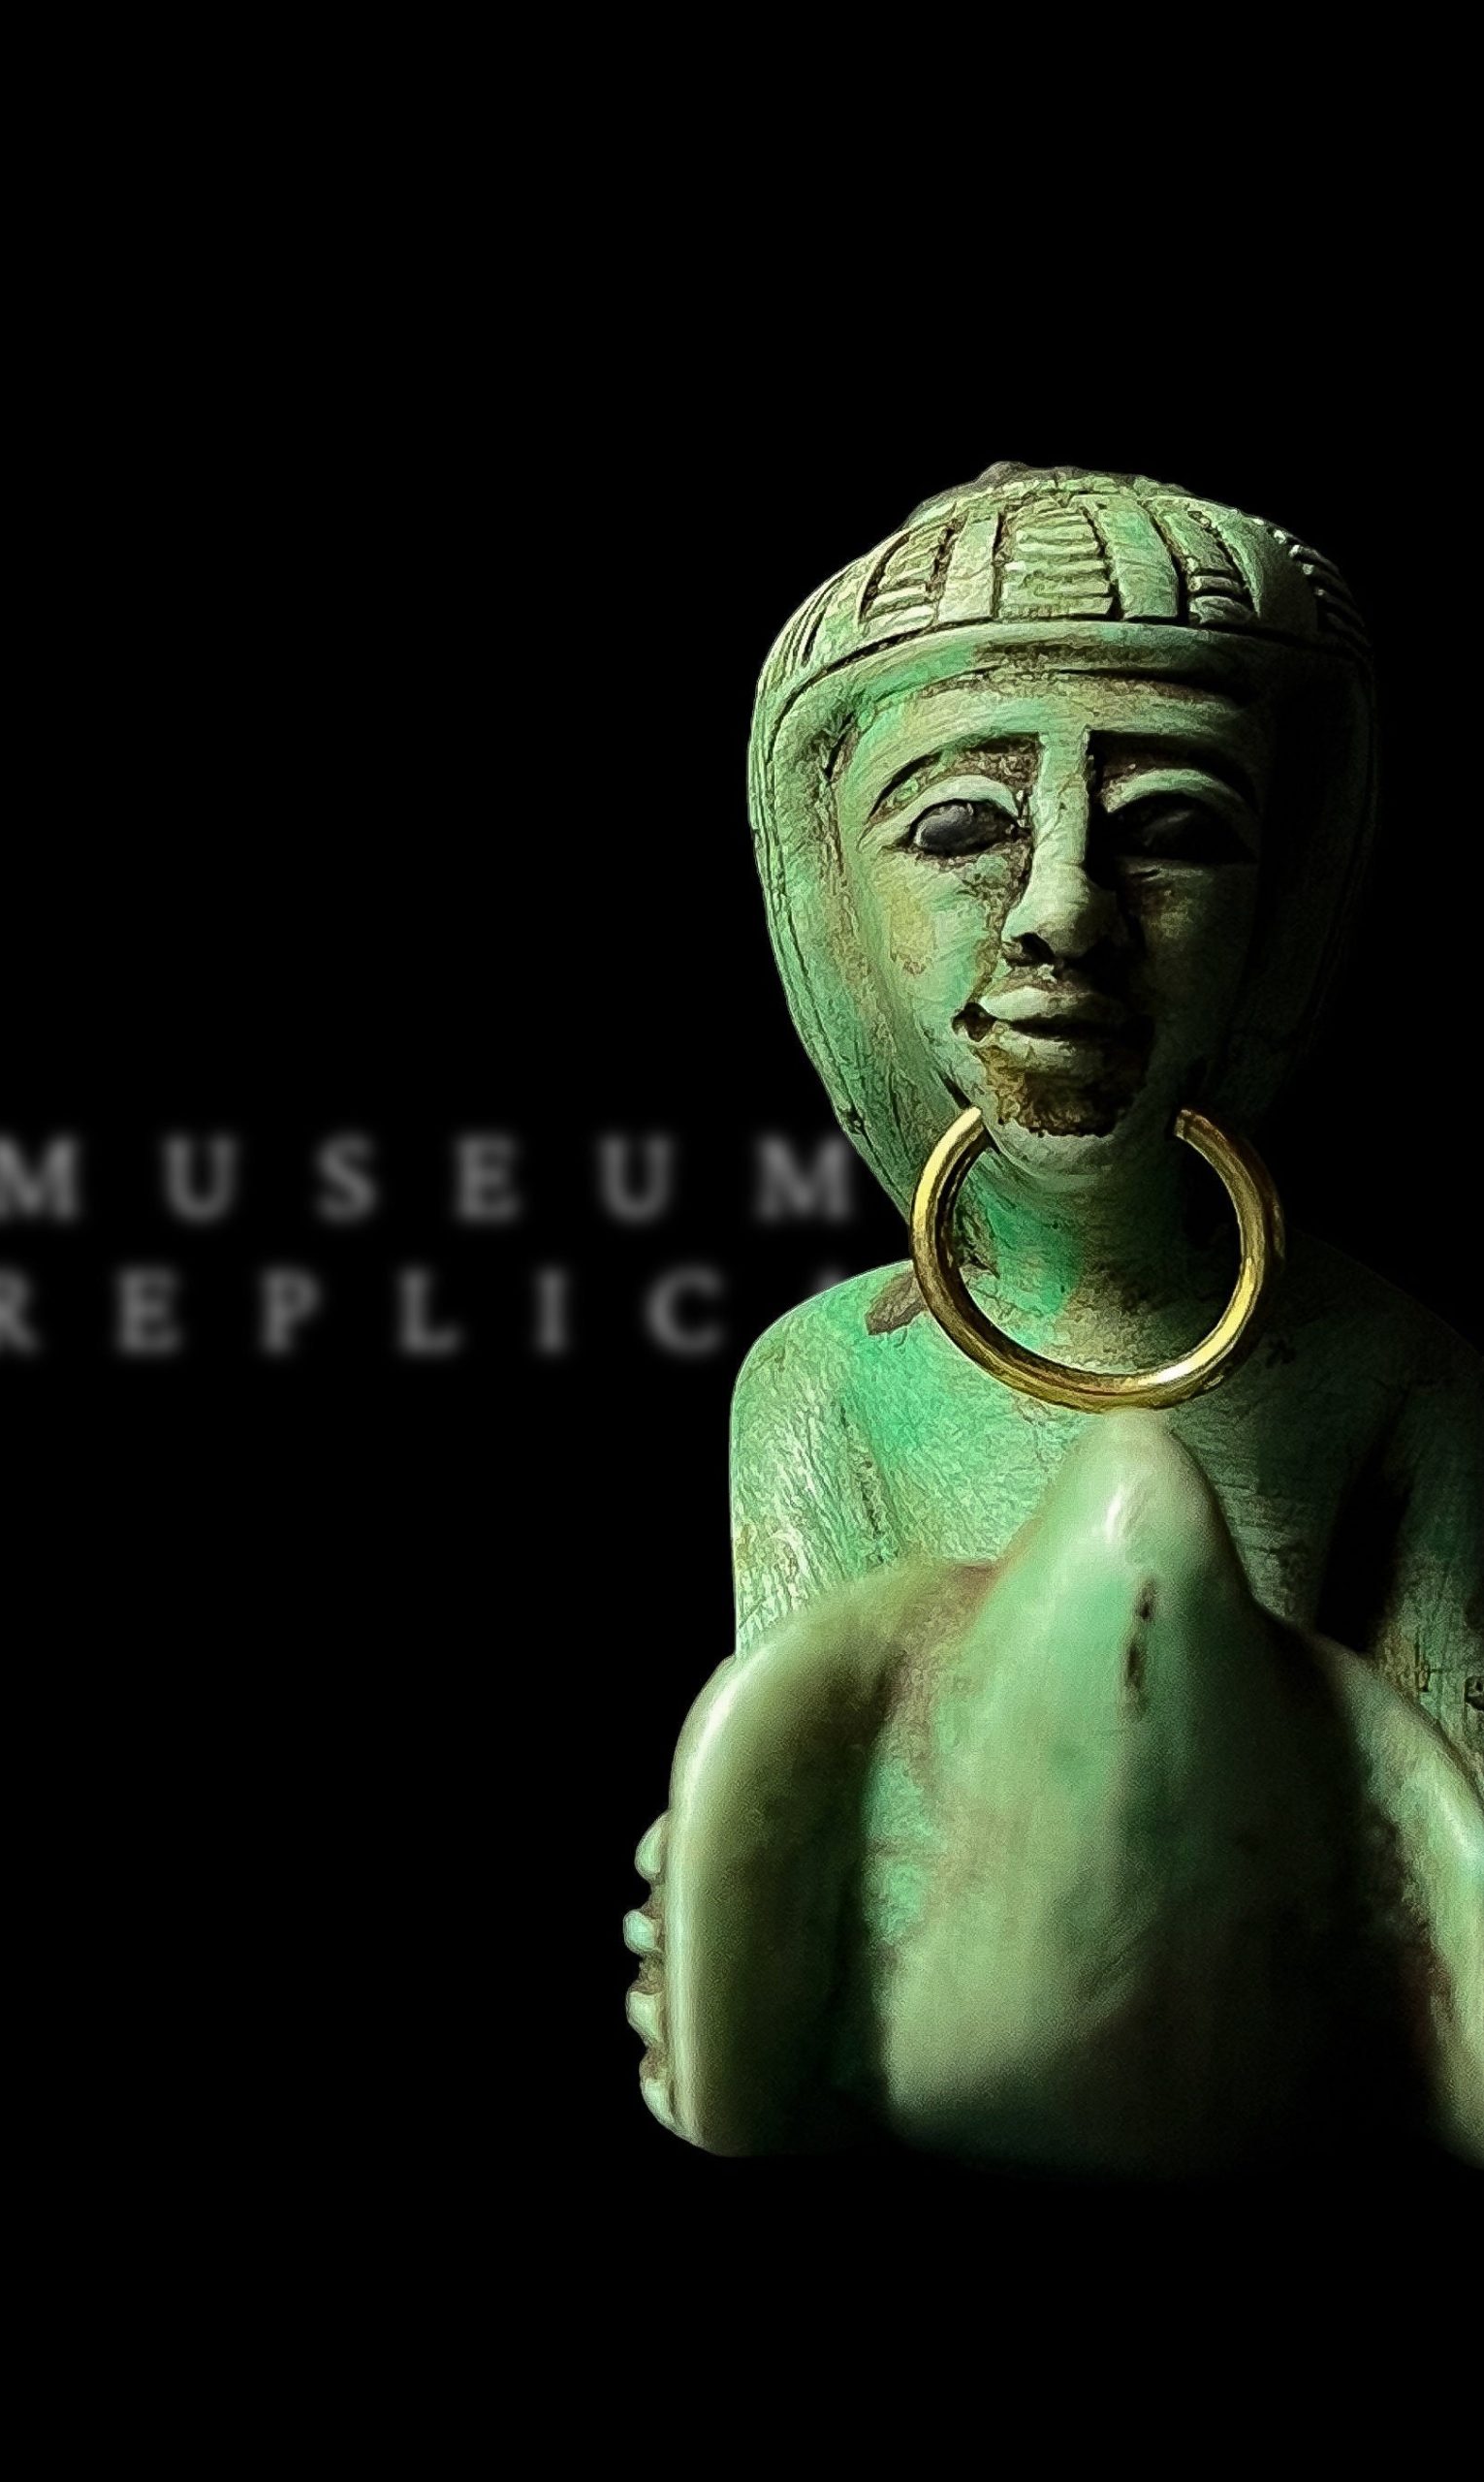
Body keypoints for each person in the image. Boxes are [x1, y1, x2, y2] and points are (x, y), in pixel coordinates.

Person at [626, 465, 1482, 2170]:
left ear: (1285, 895)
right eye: (958, 830)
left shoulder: (1393, 1376)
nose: (1061, 910)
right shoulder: (822, 1377)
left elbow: (1448, 1868)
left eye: (1175, 828)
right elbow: (799, 1803)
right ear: (837, 902)